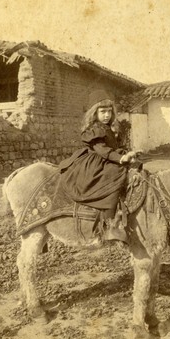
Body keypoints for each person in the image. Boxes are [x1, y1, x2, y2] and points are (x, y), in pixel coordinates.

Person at [58, 90, 138, 243]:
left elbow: (113, 148)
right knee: (114, 176)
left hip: (106, 157)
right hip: (95, 162)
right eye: (102, 112)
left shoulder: (108, 127)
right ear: (94, 113)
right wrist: (121, 158)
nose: (107, 115)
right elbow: (103, 150)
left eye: (109, 111)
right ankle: (109, 225)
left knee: (133, 168)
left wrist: (127, 153)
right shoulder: (95, 129)